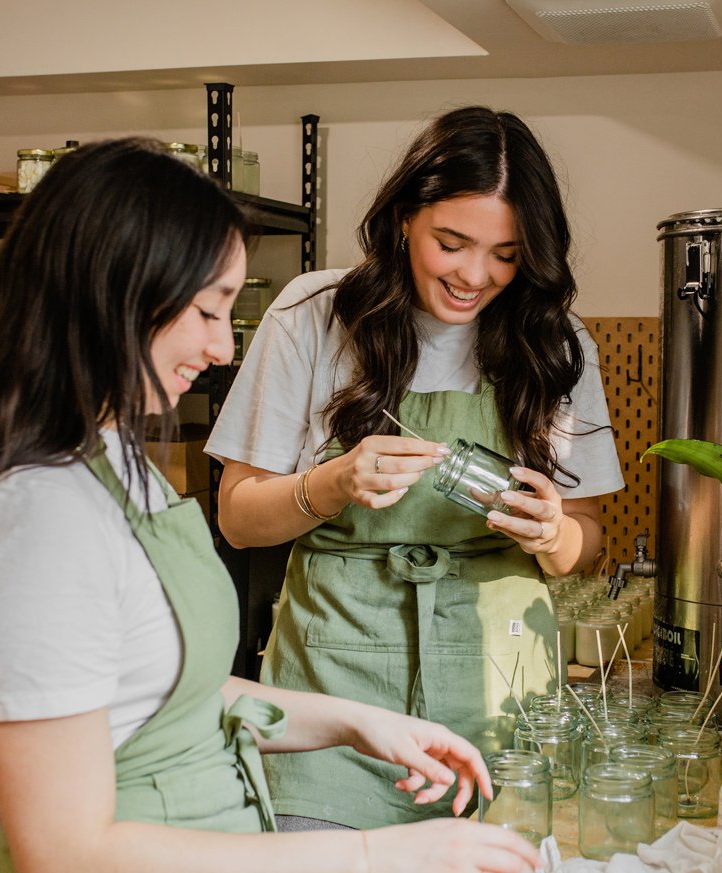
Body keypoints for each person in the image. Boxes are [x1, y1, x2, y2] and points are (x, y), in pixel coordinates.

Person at [0, 137, 540, 873]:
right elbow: (63, 849)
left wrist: (359, 723)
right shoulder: (35, 520)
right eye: (208, 311)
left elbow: (165, 688)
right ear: (116, 296)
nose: (221, 348)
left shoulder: (113, 467)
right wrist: (375, 851)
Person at [207, 105, 625, 830]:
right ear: (404, 217)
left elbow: (587, 545)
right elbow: (238, 517)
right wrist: (330, 484)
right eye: (452, 242)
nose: (475, 275)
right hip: (334, 696)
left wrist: (553, 532)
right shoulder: (311, 316)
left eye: (506, 252)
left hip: (502, 696)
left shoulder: (554, 343)